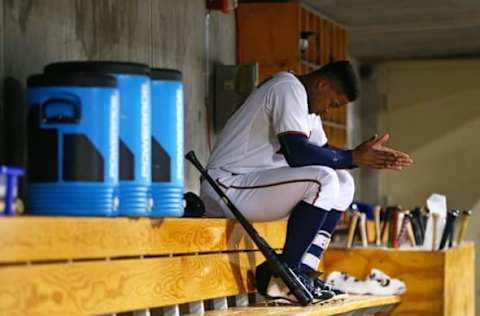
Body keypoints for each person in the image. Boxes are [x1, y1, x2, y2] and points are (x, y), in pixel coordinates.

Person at [199, 61, 413, 303]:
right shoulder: (287, 88)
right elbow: (298, 153)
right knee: (324, 180)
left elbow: (323, 152)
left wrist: (356, 157)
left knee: (343, 182)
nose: (328, 110)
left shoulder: (306, 107)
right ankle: (286, 275)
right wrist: (352, 157)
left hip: (250, 188)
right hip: (225, 186)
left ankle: (304, 272)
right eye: (333, 103)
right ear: (322, 84)